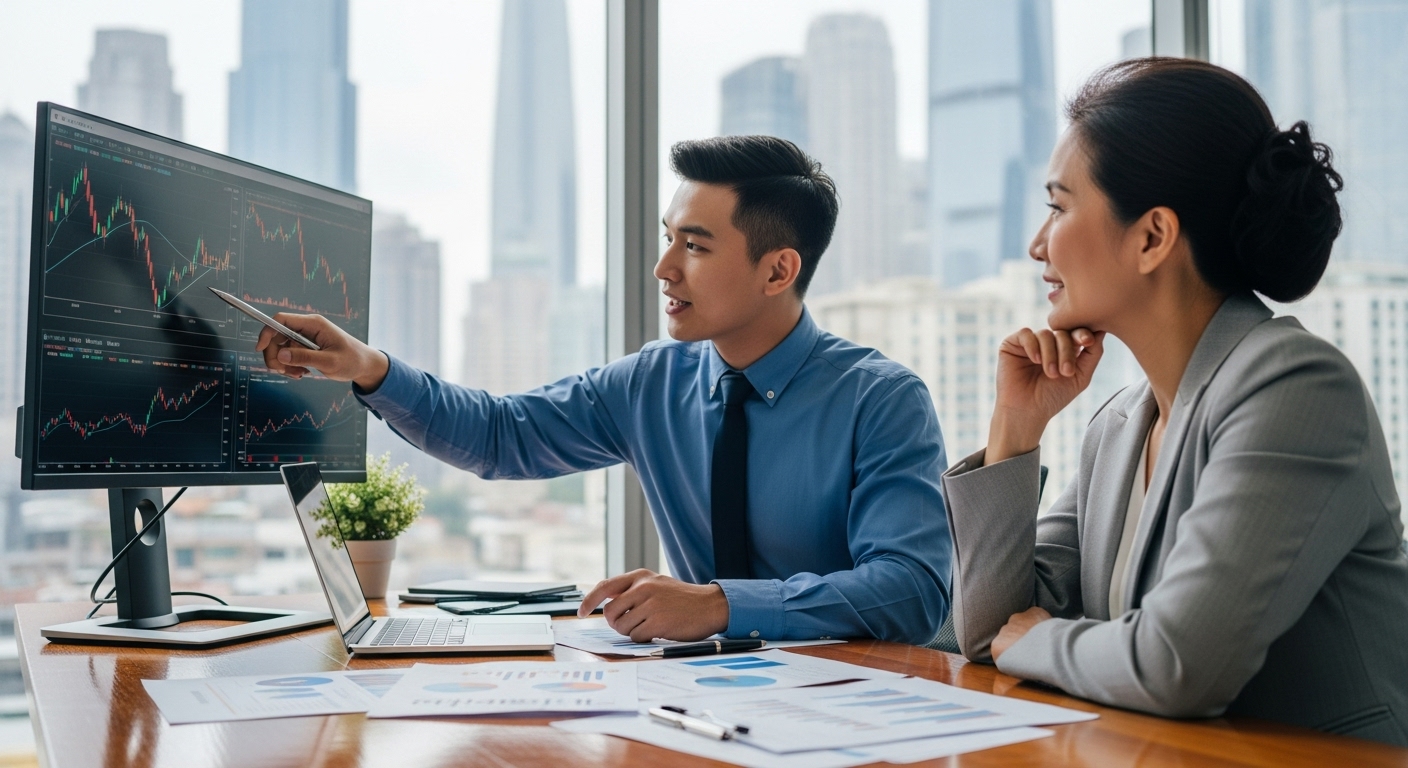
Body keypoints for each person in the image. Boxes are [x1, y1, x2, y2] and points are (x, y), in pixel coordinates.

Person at [256, 135, 952, 645]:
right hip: (706, 705)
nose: (663, 267)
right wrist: (370, 369)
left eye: (696, 247)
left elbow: (912, 590)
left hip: (854, 712)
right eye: (667, 238)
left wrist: (718, 604)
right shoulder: (653, 381)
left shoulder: (881, 401)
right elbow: (503, 436)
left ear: (778, 271)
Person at [941, 58, 1408, 745]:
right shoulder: (1121, 425)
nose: (1039, 243)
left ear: (1153, 236)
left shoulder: (1296, 384)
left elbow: (1180, 664)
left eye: (1059, 206)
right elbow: (987, 631)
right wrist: (1016, 430)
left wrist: (1042, 639)